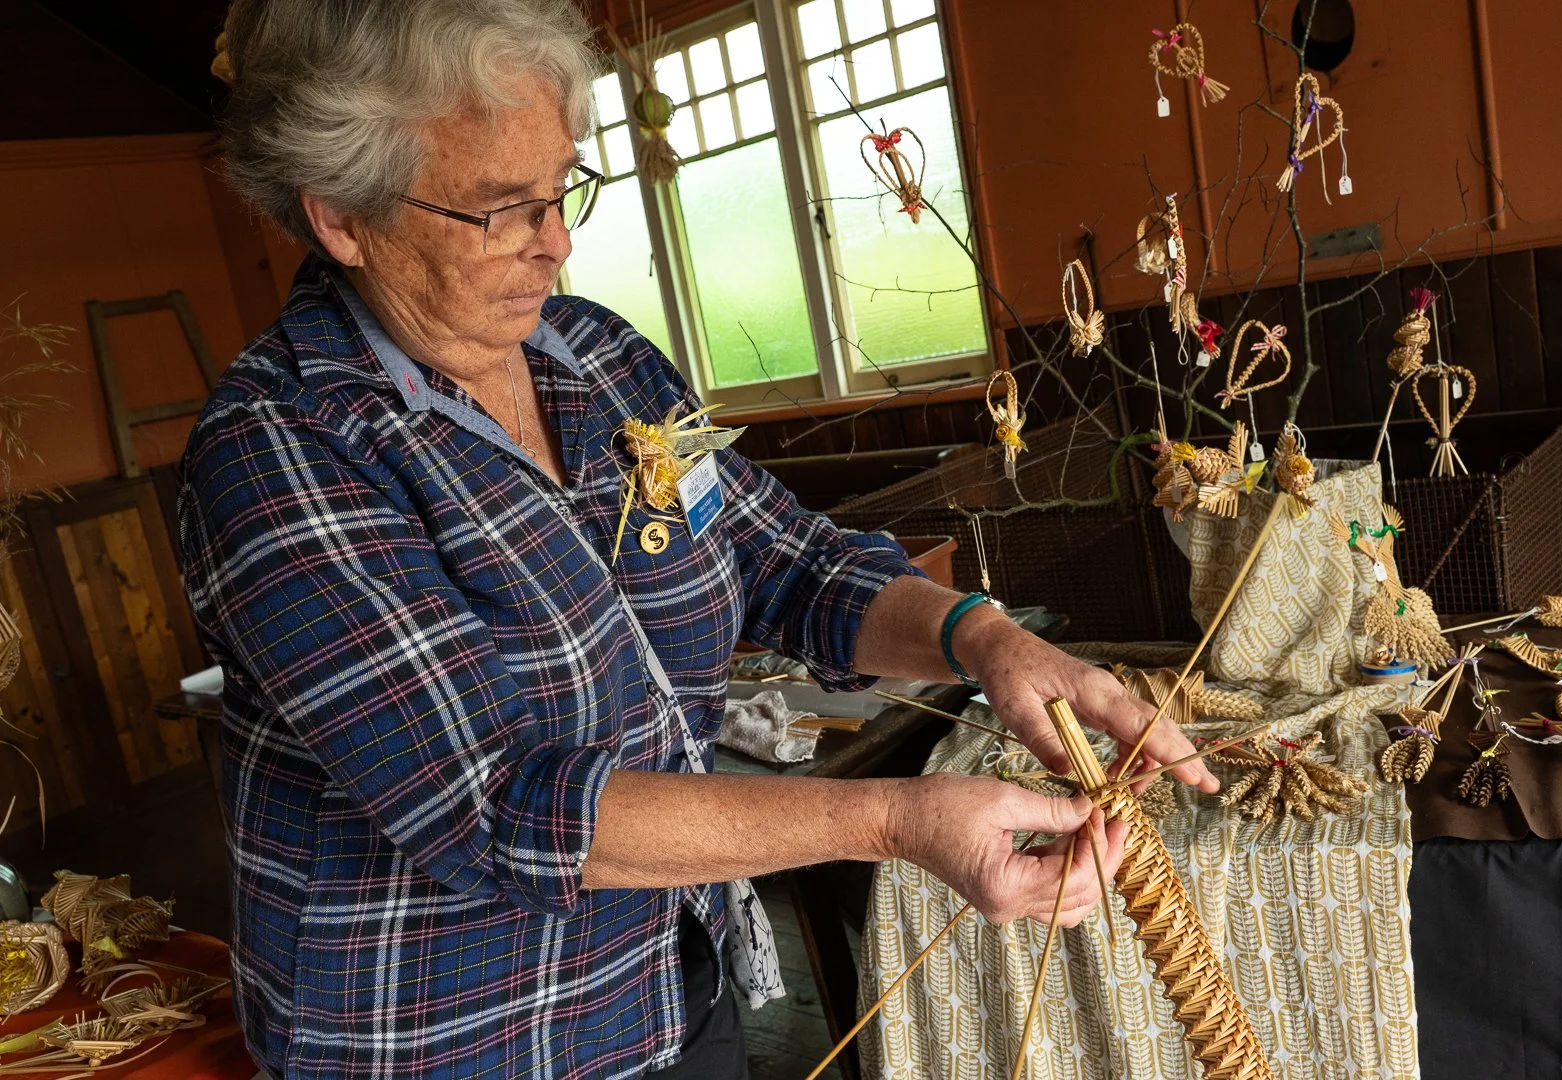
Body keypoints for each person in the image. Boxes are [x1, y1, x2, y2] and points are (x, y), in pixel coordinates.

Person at [184, 2, 1217, 1077]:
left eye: (562, 186)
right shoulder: (281, 447)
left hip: (664, 989)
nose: (559, 241)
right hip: (453, 1039)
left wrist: (988, 643)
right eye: (501, 209)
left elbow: (786, 562)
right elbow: (500, 805)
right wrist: (895, 820)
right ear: (344, 218)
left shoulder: (593, 360)